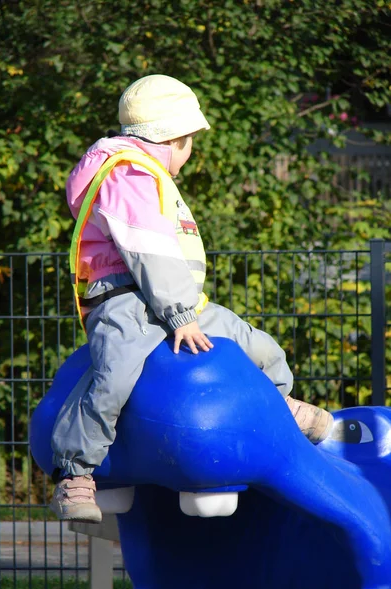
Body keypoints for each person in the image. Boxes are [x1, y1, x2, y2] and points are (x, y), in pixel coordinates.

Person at [50, 74, 333, 522]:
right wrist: (181, 315)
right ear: (174, 139)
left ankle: (278, 406)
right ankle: (76, 470)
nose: (190, 153)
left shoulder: (148, 175)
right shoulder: (128, 175)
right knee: (114, 375)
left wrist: (185, 311)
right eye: (190, 143)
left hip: (178, 304)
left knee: (258, 345)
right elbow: (149, 253)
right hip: (126, 301)